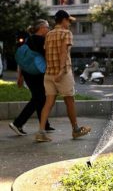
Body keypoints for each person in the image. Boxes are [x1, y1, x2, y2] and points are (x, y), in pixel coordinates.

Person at [35, 10, 91, 142]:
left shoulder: (48, 34)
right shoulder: (66, 33)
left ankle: (41, 132)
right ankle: (75, 130)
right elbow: (63, 52)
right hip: (62, 74)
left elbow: (47, 52)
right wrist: (61, 71)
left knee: (48, 102)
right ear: (64, 20)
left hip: (49, 74)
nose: (70, 23)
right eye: (69, 21)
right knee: (69, 100)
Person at [9, 20, 54, 136]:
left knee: (39, 98)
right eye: (47, 27)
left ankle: (45, 125)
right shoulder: (41, 40)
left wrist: (20, 76)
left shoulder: (28, 39)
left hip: (27, 73)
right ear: (42, 28)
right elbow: (49, 57)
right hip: (37, 73)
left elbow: (22, 60)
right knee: (38, 98)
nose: (48, 29)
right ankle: (18, 123)